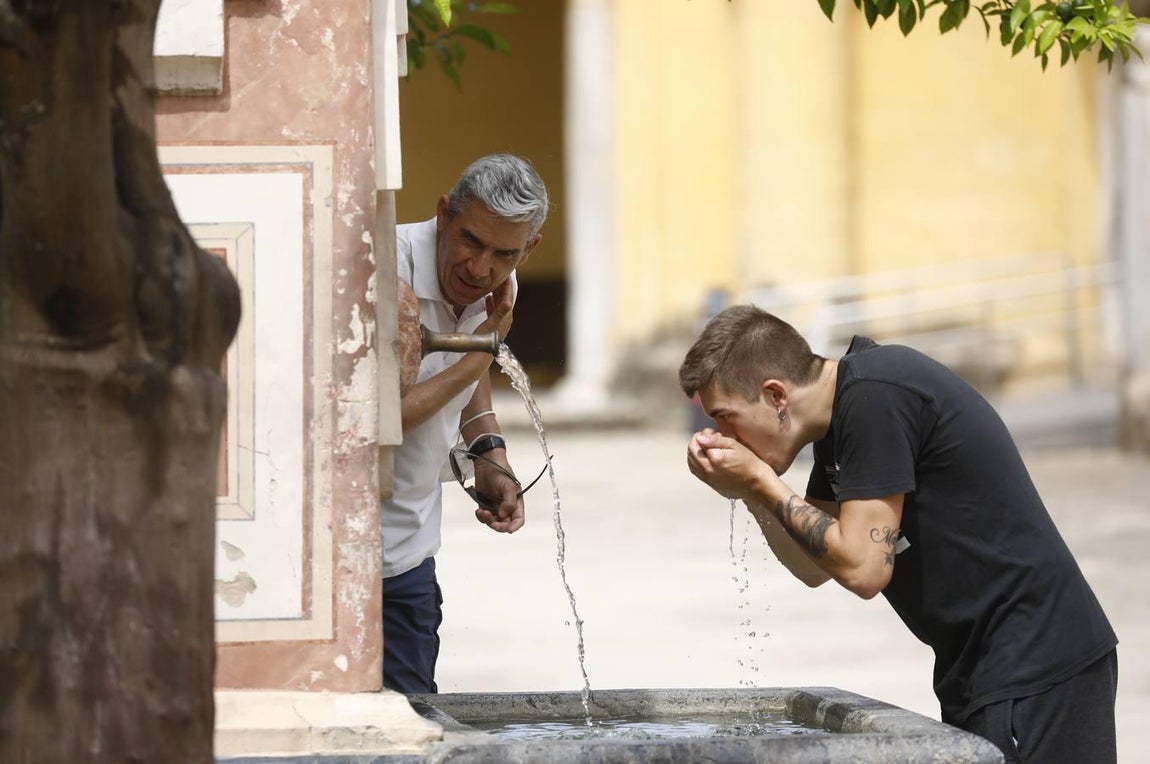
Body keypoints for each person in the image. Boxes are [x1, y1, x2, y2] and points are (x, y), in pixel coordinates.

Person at [679, 305, 1118, 763]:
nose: (722, 434)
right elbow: (812, 565)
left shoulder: (876, 396)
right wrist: (750, 491)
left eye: (726, 417)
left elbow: (864, 568)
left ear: (776, 395)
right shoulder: (843, 416)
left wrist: (759, 479)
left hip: (1036, 664)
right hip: (985, 669)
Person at [383, 154, 547, 693]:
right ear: (443, 215)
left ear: (529, 250)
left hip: (408, 556)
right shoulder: (385, 271)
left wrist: (488, 451)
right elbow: (382, 416)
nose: (480, 268)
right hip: (335, 558)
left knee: (411, 728)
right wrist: (481, 355)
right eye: (470, 242)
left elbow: (463, 370)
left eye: (504, 253)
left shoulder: (499, 288)